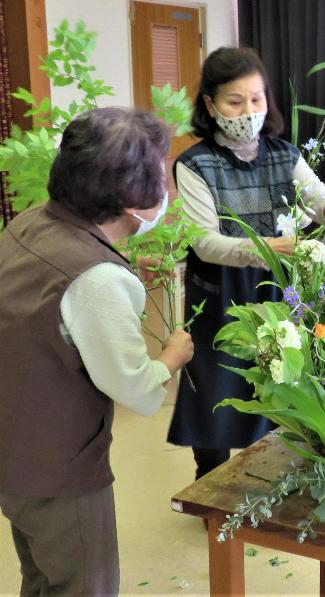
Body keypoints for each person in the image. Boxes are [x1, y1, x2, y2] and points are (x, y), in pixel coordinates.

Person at [0, 107, 194, 595]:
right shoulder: (97, 278)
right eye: (161, 172)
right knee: (84, 584)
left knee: (42, 577)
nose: (167, 189)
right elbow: (140, 391)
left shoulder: (28, 225)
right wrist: (172, 353)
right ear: (133, 197)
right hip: (58, 470)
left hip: (13, 452)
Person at [166, 47, 325, 481]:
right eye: (234, 102)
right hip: (221, 291)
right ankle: (210, 484)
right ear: (210, 105)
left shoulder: (284, 154)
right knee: (217, 389)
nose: (248, 111)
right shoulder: (195, 164)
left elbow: (319, 199)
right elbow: (205, 243)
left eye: (256, 99)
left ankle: (280, 474)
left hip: (276, 290)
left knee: (283, 380)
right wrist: (268, 247)